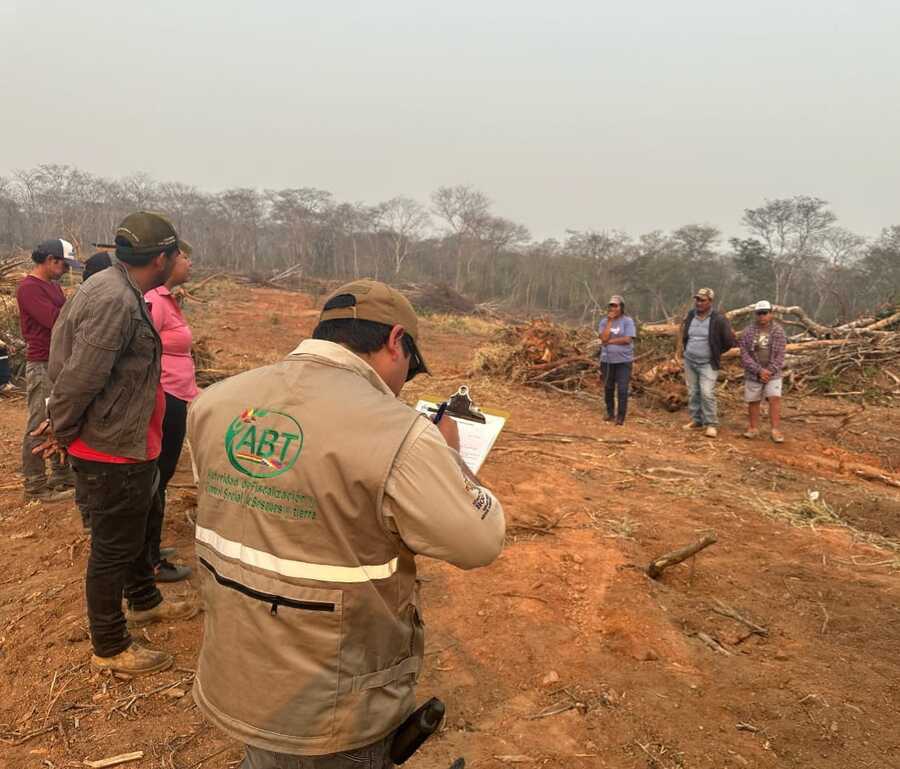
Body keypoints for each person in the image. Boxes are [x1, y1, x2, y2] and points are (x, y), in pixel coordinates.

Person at [187, 278, 506, 769]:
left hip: (239, 674)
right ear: (397, 340)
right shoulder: (400, 434)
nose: (402, 384)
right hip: (334, 702)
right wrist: (450, 456)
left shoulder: (216, 401)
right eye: (410, 370)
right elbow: (479, 542)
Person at [42, 212, 199, 676]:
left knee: (132, 531)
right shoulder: (116, 301)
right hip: (109, 448)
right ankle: (110, 644)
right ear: (162, 258)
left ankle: (145, 599)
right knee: (113, 547)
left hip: (130, 441)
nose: (180, 260)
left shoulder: (117, 285)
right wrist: (62, 429)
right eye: (177, 254)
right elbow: (80, 375)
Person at [144, 241, 197, 582]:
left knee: (160, 478)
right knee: (157, 478)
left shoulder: (167, 299)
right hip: (164, 399)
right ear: (165, 261)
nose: (190, 263)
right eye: (184, 257)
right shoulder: (153, 301)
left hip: (176, 395)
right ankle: (149, 562)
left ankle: (149, 549)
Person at [17, 239, 82, 501]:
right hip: (42, 363)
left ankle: (60, 474)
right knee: (38, 423)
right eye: (64, 265)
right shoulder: (29, 289)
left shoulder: (51, 287)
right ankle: (35, 485)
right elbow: (57, 320)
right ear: (50, 260)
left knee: (59, 418)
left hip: (57, 362)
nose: (66, 270)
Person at [680, 287, 736, 438]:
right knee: (693, 392)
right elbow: (686, 335)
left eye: (702, 300)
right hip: (690, 360)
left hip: (707, 363)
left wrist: (716, 352)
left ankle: (711, 424)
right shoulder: (691, 315)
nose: (698, 303)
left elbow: (729, 341)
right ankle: (697, 420)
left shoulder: (719, 319)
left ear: (710, 301)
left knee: (706, 392)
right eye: (697, 299)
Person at [739, 300, 786, 443]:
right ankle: (753, 428)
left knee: (774, 399)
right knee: (753, 400)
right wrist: (759, 371)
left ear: (771, 314)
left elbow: (780, 354)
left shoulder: (778, 331)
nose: (762, 316)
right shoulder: (748, 331)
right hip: (753, 372)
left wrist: (769, 371)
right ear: (756, 314)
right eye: (759, 313)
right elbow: (744, 354)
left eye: (765, 313)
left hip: (773, 373)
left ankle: (775, 430)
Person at [598, 294, 636, 425]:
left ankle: (621, 416)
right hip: (607, 360)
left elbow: (627, 339)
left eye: (616, 305)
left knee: (622, 389)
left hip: (624, 361)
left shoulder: (627, 321)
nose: (613, 308)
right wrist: (609, 322)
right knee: (608, 388)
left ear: (621, 307)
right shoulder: (604, 322)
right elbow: (603, 338)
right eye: (611, 305)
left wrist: (610, 341)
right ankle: (610, 413)